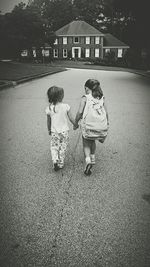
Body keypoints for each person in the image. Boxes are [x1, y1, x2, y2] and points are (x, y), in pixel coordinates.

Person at [74, 79, 109, 175]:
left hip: (88, 126)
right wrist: (107, 124)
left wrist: (76, 123)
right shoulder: (102, 98)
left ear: (86, 88)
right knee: (93, 141)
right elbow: (106, 113)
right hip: (99, 127)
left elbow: (80, 112)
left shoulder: (85, 98)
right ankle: (93, 158)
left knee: (86, 144)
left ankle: (88, 160)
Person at [45, 86, 75, 171]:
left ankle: (55, 160)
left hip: (54, 132)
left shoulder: (49, 108)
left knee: (54, 146)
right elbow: (71, 118)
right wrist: (75, 124)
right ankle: (61, 163)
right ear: (60, 97)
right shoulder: (66, 106)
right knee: (62, 147)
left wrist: (49, 130)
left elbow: (48, 122)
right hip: (64, 132)